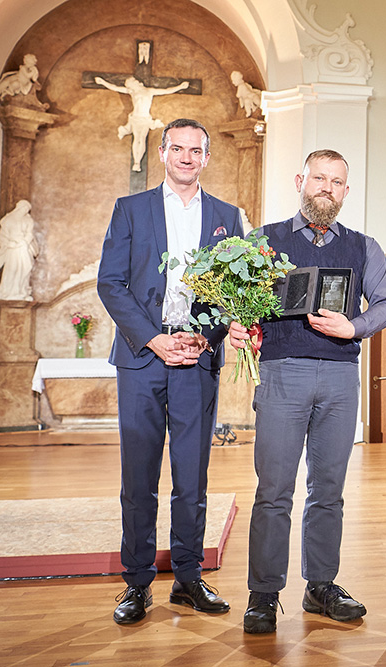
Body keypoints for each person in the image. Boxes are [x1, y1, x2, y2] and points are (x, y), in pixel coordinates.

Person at [228, 149, 386, 634]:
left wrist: (355, 327)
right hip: (283, 373)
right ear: (301, 180)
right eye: (319, 177)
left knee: (329, 491)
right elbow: (239, 302)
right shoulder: (263, 241)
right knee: (275, 489)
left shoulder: (365, 247)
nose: (327, 187)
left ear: (346, 190)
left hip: (341, 377)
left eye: (336, 181)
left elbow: (385, 303)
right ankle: (263, 593)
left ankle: (321, 586)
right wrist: (238, 323)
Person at [97, 118, 242, 625]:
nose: (186, 156)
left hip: (196, 360)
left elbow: (236, 291)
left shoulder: (228, 216)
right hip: (141, 358)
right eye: (177, 148)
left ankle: (187, 576)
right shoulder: (130, 210)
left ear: (206, 157)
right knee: (139, 478)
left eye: (195, 150)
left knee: (192, 477)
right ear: (162, 153)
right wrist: (156, 339)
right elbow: (111, 284)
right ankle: (136, 583)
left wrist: (205, 336)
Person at [93, 75, 190, 171]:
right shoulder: (132, 92)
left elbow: (166, 90)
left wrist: (180, 86)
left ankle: (138, 162)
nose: (132, 85)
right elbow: (116, 88)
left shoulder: (149, 91)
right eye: (130, 84)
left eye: (132, 83)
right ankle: (136, 162)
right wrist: (103, 82)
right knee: (137, 139)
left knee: (141, 139)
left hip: (144, 119)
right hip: (135, 118)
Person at [0, 200, 40, 301]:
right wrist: (9, 244)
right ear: (19, 208)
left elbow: (29, 233)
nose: (26, 211)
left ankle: (22, 291)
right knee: (11, 270)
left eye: (27, 209)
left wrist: (24, 242)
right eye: (24, 208)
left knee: (25, 268)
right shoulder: (8, 220)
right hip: (12, 248)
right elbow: (3, 236)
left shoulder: (28, 220)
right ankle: (9, 292)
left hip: (23, 247)